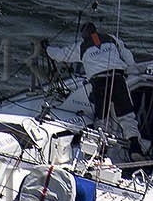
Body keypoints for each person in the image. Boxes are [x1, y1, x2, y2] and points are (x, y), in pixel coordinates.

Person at [47, 22, 146, 155]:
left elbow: (60, 55)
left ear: (83, 35)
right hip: (118, 78)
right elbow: (126, 54)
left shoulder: (81, 46)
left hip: (99, 82)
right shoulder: (112, 39)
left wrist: (46, 48)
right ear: (95, 31)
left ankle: (101, 151)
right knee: (126, 116)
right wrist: (132, 66)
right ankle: (135, 148)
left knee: (102, 118)